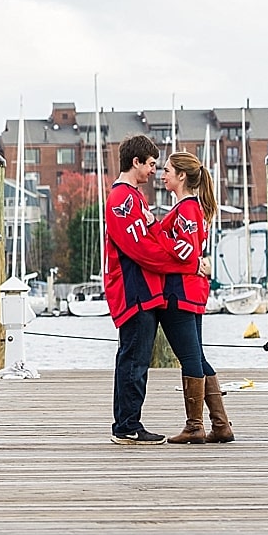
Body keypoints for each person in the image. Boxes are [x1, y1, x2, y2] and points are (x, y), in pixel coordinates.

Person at [104, 134, 209, 444]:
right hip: (134, 290)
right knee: (134, 359)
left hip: (146, 291)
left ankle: (129, 423)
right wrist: (190, 266)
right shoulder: (123, 200)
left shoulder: (135, 198)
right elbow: (142, 250)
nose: (154, 171)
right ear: (135, 162)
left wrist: (186, 260)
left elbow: (156, 241)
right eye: (151, 164)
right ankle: (126, 426)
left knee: (134, 358)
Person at [154, 150, 235, 443]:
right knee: (197, 355)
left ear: (181, 176)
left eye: (166, 171)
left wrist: (155, 231)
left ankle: (194, 426)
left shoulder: (186, 209)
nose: (162, 175)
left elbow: (186, 249)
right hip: (190, 289)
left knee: (188, 357)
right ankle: (221, 424)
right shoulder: (191, 209)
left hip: (180, 290)